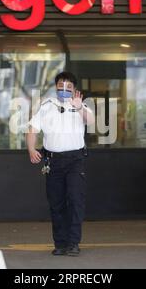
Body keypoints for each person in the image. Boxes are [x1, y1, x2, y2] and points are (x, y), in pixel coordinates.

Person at [26, 71, 95, 256]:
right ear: (56, 87)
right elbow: (32, 129)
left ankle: (73, 243)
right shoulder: (47, 106)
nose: (64, 90)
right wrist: (32, 149)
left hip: (75, 161)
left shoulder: (81, 105)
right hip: (53, 161)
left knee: (75, 200)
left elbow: (93, 122)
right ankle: (60, 243)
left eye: (68, 87)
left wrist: (80, 107)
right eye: (60, 87)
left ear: (74, 89)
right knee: (56, 203)